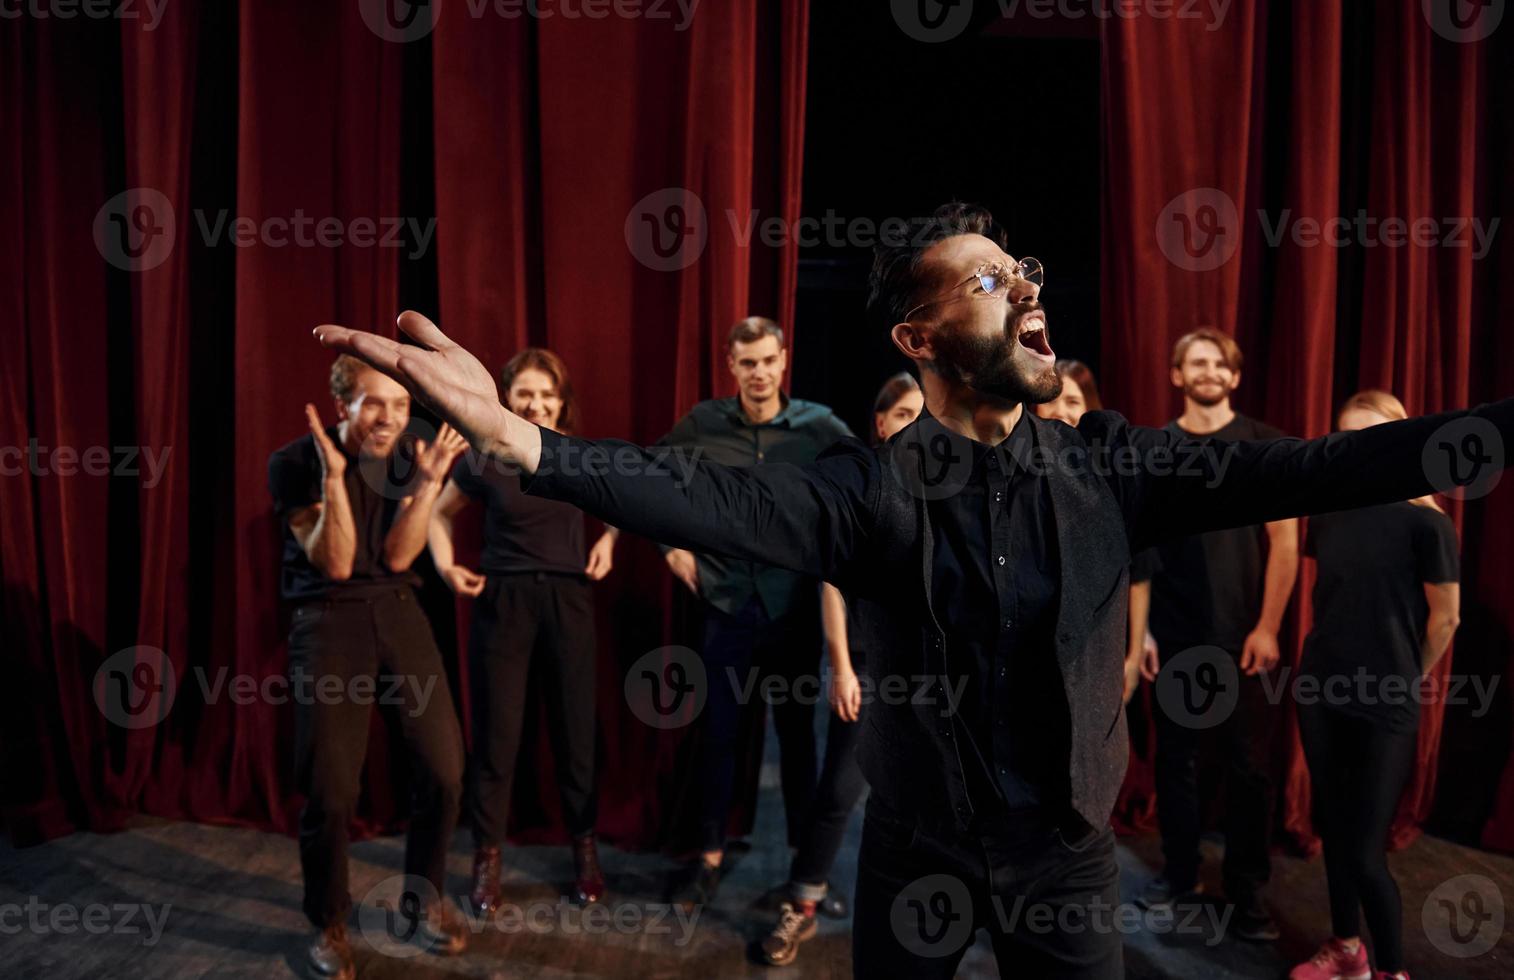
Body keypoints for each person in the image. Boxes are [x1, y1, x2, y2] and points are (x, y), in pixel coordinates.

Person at [313, 201, 1513, 979]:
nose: (1025, 287)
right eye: (989, 279)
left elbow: (1318, 464)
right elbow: (689, 493)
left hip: (1067, 860)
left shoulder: (1113, 467)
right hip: (919, 853)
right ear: (918, 337)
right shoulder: (862, 491)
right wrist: (524, 444)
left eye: (1022, 268)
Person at [267, 355, 470, 980]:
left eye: (401, 405)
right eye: (374, 403)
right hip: (327, 616)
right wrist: (333, 481)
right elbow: (336, 562)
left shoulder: (411, 457)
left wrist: (430, 485)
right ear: (342, 405)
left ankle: (422, 899)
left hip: (398, 607)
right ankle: (328, 920)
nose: (389, 417)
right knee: (331, 790)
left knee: (444, 770)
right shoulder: (294, 463)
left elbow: (398, 554)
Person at [654, 317, 855, 911]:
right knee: (718, 737)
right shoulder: (704, 423)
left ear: (784, 359)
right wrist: (672, 547)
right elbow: (647, 477)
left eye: (769, 360)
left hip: (792, 607)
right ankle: (708, 859)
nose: (760, 373)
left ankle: (805, 870)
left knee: (798, 743)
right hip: (727, 605)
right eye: (748, 363)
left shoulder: (818, 427)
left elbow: (863, 487)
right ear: (731, 366)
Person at [427, 347, 619, 913]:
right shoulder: (483, 457)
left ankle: (585, 849)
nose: (535, 402)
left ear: (562, 403)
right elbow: (439, 514)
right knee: (497, 738)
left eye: (545, 394)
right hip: (503, 601)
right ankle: (486, 856)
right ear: (507, 397)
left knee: (575, 735)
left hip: (568, 601)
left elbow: (624, 510)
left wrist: (608, 540)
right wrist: (444, 565)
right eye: (524, 393)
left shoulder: (581, 457)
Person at [1289, 391, 1461, 980]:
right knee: (1332, 832)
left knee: (1364, 851)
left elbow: (1446, 619)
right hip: (1319, 691)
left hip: (1385, 701)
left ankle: (1391, 970)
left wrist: (1405, 673)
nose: (1358, 446)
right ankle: (1346, 949)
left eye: (1373, 433)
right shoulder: (1329, 511)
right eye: (1347, 436)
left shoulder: (1428, 523)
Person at [1135, 327, 1299, 942]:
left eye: (1218, 363)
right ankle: (1180, 878)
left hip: (1244, 640)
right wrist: (1143, 631)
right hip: (1174, 636)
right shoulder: (1152, 448)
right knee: (1176, 763)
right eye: (1195, 362)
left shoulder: (1265, 445)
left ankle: (1247, 891)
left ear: (1234, 376)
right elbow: (1141, 543)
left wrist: (1268, 625)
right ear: (1177, 375)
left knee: (1249, 768)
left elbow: (1285, 540)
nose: (1207, 371)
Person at [759, 372, 922, 967]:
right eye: (901, 413)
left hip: (930, 670)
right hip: (869, 662)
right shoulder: (864, 484)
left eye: (921, 413)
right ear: (880, 422)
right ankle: (801, 901)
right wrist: (841, 663)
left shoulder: (953, 482)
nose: (912, 423)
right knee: (840, 788)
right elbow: (833, 582)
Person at [1035, 359, 1159, 705]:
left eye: (1073, 401)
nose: (1061, 410)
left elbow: (1139, 572)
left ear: (1090, 408)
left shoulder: (1115, 477)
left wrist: (1134, 654)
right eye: (1052, 399)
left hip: (1100, 647)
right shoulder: (1016, 473)